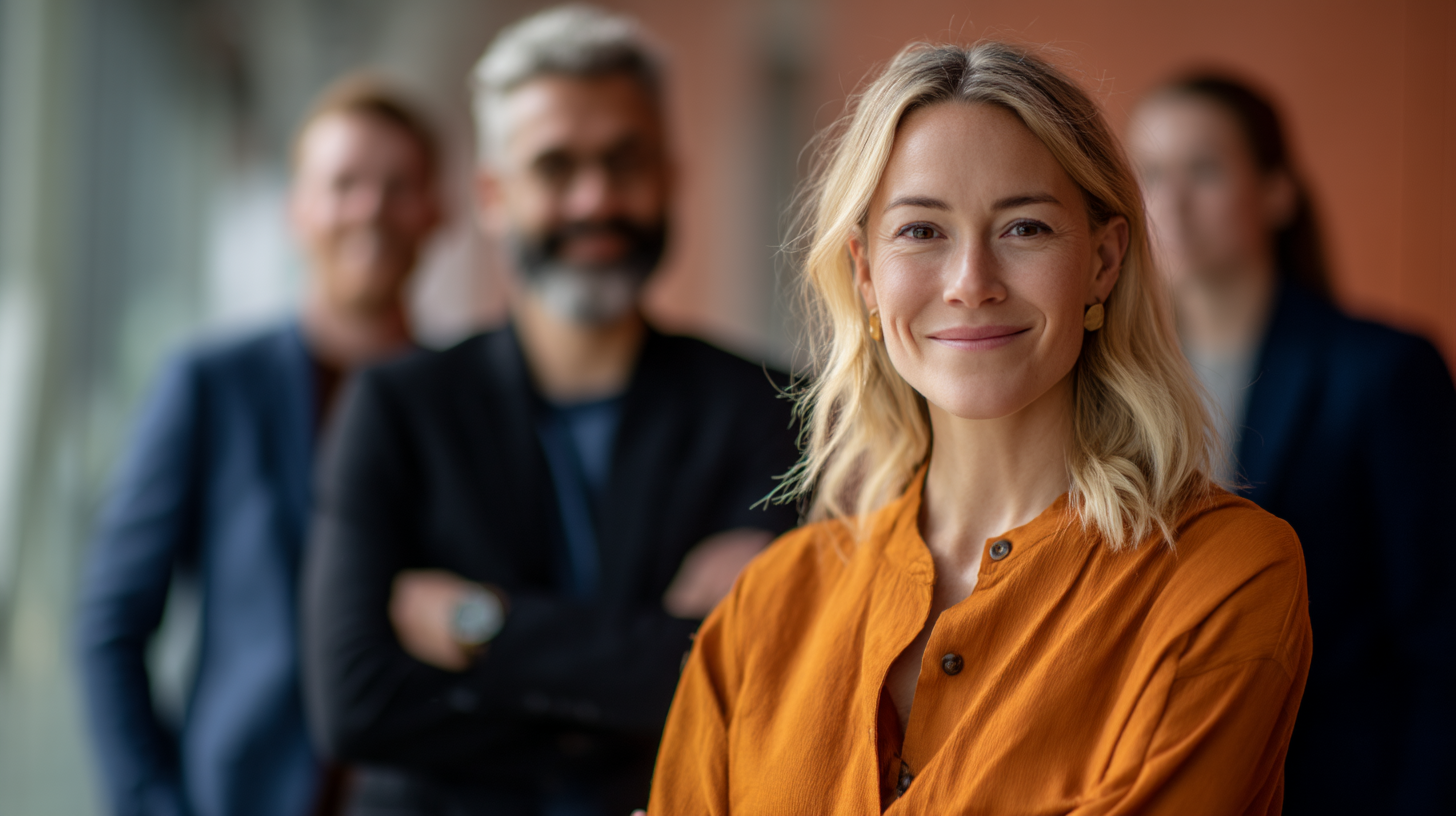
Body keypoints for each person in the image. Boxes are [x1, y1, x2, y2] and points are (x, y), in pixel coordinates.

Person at [649, 41, 1313, 815]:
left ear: (1103, 260)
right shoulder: (767, 602)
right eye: (921, 232)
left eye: (1024, 228)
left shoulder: (1226, 575)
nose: (971, 284)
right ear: (865, 274)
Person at [300, 6, 800, 815]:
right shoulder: (396, 406)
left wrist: (484, 625)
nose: (594, 197)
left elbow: (773, 684)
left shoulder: (773, 411)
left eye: (624, 161)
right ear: (493, 196)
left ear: (671, 176)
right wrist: (651, 674)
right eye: (556, 166)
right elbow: (357, 704)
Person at [76, 78, 444, 816]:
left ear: (440, 209)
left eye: (397, 184)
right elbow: (110, 625)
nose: (369, 208)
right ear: (297, 209)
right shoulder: (211, 386)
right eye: (343, 183)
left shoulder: (465, 402)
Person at [1128, 75, 1456, 816]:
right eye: (1149, 172)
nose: (1170, 201)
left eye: (1203, 169)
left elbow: (1440, 640)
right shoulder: (1111, 389)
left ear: (1276, 191)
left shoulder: (1384, 371)